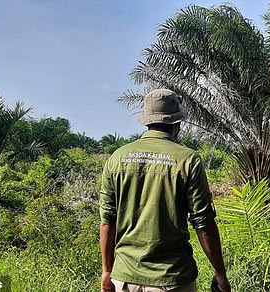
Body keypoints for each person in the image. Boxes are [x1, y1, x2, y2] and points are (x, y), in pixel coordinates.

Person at [99, 89, 231, 292]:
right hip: (172, 280)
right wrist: (220, 272)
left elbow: (108, 220)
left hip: (125, 279)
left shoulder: (117, 158)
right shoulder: (188, 159)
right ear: (176, 124)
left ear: (147, 121)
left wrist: (107, 271)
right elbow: (203, 222)